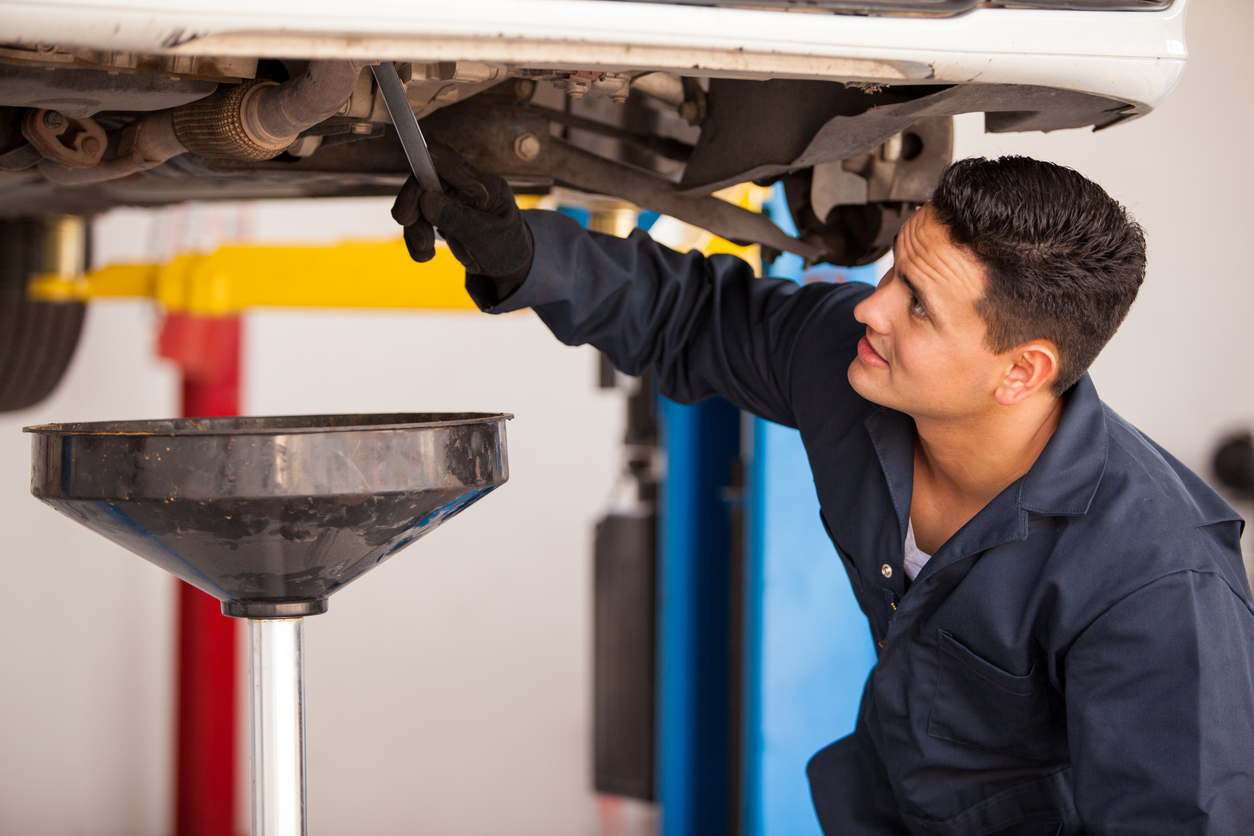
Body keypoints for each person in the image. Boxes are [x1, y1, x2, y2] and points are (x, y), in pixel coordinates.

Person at [392, 146, 1254, 834]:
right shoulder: (856, 370)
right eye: (892, 274)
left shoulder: (1158, 587)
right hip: (885, 803)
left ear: (1021, 372)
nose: (871, 310)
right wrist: (527, 252)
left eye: (919, 306)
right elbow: (690, 317)